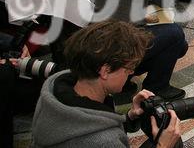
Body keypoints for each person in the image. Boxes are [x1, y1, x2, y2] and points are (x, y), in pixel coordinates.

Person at [31, 21, 182, 148]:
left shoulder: (53, 89)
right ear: (105, 71)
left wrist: (129, 117)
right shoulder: (106, 141)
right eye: (129, 68)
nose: (131, 73)